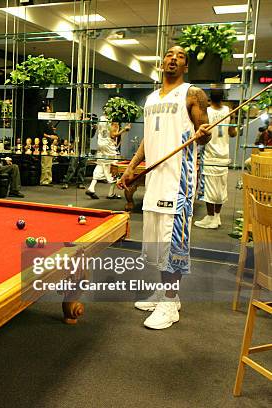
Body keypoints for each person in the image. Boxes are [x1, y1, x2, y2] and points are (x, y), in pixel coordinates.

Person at [118, 45, 211, 330]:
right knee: (158, 239)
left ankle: (171, 303)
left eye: (180, 56)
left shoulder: (193, 93)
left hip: (178, 180)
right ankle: (165, 292)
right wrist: (134, 166)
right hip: (156, 178)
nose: (173, 58)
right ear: (162, 62)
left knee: (173, 241)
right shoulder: (149, 98)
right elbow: (148, 137)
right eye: (170, 54)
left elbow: (203, 134)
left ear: (185, 67)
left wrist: (203, 133)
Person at [194, 89, 237, 229]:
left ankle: (211, 218)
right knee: (221, 189)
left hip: (210, 155)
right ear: (223, 98)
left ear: (209, 99)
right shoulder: (229, 110)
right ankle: (216, 217)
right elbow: (233, 133)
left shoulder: (206, 111)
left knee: (209, 190)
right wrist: (234, 120)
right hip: (224, 156)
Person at [86, 114, 130, 199]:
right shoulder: (114, 122)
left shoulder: (101, 118)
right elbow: (113, 135)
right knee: (113, 167)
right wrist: (124, 130)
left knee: (100, 164)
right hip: (109, 147)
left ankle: (91, 188)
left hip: (100, 145)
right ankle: (111, 193)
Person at [39, 104, 59, 186]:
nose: (50, 111)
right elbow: (41, 133)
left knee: (49, 164)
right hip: (45, 144)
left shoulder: (49, 121)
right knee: (45, 163)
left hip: (51, 144)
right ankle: (44, 180)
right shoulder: (42, 121)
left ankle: (49, 179)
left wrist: (52, 131)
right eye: (48, 110)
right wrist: (50, 136)